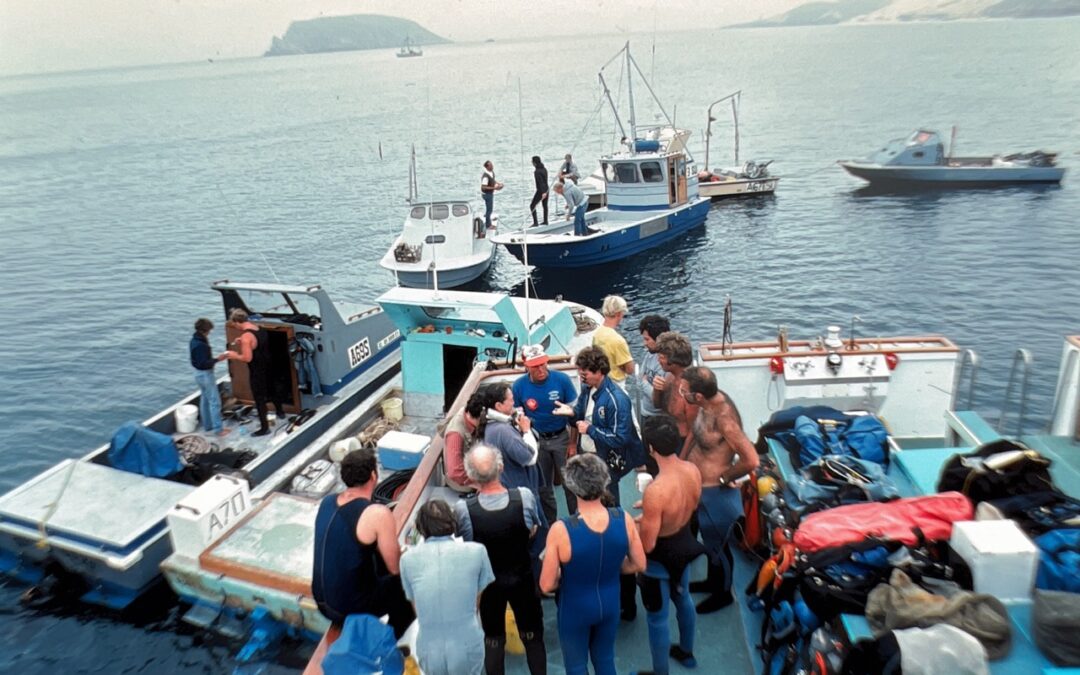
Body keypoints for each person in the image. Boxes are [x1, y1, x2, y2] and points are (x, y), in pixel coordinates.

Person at [539, 453, 646, 675]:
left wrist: (565, 574)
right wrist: (612, 567)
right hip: (609, 602)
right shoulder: (623, 518)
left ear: (572, 486)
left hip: (575, 607)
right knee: (605, 660)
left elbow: (547, 585)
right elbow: (639, 564)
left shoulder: (561, 530)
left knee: (576, 666)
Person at [453, 444, 547, 675]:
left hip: (488, 585)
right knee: (533, 637)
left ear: (471, 476)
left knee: (493, 640)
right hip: (522, 578)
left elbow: (467, 542)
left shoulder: (464, 509)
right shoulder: (523, 497)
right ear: (501, 467)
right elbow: (532, 528)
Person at [571, 346, 646, 621]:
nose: (582, 376)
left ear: (600, 371)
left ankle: (624, 596)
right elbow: (580, 412)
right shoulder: (588, 389)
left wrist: (589, 429)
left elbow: (621, 439)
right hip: (593, 456)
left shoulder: (617, 400)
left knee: (611, 509)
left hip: (608, 463)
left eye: (586, 372)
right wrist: (571, 413)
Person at [680, 366, 760, 614]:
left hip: (715, 493)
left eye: (685, 391)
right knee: (708, 543)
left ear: (699, 396)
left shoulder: (725, 419)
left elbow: (752, 460)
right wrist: (681, 464)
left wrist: (726, 477)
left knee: (718, 547)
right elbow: (695, 434)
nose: (681, 392)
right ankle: (711, 581)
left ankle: (723, 593)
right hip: (697, 486)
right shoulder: (707, 404)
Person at [311, 448, 415, 637]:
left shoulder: (327, 501)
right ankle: (391, 641)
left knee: (372, 555)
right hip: (351, 609)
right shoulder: (376, 513)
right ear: (374, 475)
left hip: (322, 601)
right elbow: (395, 568)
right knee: (405, 582)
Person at [634, 414, 705, 675]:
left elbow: (648, 544)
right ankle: (686, 653)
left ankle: (660, 672)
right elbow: (691, 504)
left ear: (651, 449)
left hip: (660, 558)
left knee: (657, 617)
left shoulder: (656, 490)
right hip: (684, 543)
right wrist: (658, 514)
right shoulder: (693, 470)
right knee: (683, 597)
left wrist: (638, 524)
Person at [399, 499, 494, 675]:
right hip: (467, 643)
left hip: (429, 647)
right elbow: (476, 602)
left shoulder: (406, 560)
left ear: (421, 528)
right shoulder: (477, 551)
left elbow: (418, 608)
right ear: (452, 523)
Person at [513, 344, 578, 523]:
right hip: (537, 441)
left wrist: (573, 443)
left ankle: (576, 522)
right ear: (526, 366)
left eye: (543, 364)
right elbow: (519, 416)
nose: (541, 369)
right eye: (535, 366)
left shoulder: (562, 380)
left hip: (561, 438)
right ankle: (550, 525)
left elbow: (575, 415)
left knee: (570, 484)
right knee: (543, 488)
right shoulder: (518, 386)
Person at [219, 308, 286, 437]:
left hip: (257, 370)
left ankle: (264, 428)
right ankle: (280, 412)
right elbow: (256, 344)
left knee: (259, 398)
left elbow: (247, 358)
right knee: (273, 390)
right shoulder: (258, 328)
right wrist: (243, 342)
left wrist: (233, 355)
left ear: (237, 322)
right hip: (269, 365)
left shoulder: (246, 337)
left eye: (234, 324)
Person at [480, 383, 544, 507]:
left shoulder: (490, 427)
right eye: (511, 400)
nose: (514, 403)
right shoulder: (504, 431)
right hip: (520, 494)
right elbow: (530, 458)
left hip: (509, 491)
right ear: (498, 405)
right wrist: (526, 430)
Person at [652, 331, 698, 459]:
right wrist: (657, 390)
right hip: (669, 439)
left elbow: (694, 431)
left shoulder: (690, 389)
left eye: (661, 357)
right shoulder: (670, 377)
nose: (658, 360)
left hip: (683, 445)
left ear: (672, 361)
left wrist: (681, 459)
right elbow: (658, 405)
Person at [189, 317, 229, 436]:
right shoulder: (201, 345)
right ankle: (218, 429)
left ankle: (208, 425)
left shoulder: (194, 340)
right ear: (204, 330)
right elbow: (204, 363)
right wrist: (218, 359)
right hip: (205, 374)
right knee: (215, 402)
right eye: (209, 331)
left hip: (197, 374)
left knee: (205, 399)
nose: (209, 333)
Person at [443, 392, 485, 493]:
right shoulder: (455, 434)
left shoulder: (468, 412)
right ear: (480, 417)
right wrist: (479, 483)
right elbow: (455, 472)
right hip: (464, 487)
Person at [592, 295, 635, 387]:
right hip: (616, 385)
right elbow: (630, 369)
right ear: (619, 314)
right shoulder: (618, 340)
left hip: (601, 382)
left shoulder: (597, 334)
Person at [637, 315, 671, 422]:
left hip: (661, 419)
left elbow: (660, 400)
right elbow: (639, 380)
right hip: (645, 413)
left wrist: (645, 383)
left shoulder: (668, 364)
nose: (644, 343)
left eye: (647, 339)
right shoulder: (650, 354)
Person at [480, 160, 504, 230]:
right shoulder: (485, 176)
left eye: (492, 165)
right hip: (486, 194)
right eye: (490, 165)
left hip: (490, 193)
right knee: (489, 210)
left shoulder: (491, 173)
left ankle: (488, 219)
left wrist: (498, 183)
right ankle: (488, 225)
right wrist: (494, 188)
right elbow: (483, 187)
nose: (492, 166)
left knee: (489, 209)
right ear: (487, 167)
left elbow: (493, 180)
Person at [529, 155, 549, 227]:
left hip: (541, 191)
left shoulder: (537, 171)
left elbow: (541, 182)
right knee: (545, 205)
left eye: (532, 162)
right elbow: (544, 181)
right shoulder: (544, 169)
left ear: (535, 163)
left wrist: (543, 192)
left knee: (532, 205)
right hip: (547, 189)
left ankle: (535, 223)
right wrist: (545, 191)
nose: (532, 163)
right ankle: (545, 221)